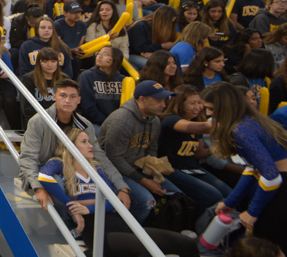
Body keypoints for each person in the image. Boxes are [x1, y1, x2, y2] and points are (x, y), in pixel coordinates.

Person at [39, 127, 203, 257]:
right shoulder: (60, 165)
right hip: (99, 232)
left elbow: (114, 201)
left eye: (90, 141)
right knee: (148, 246)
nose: (91, 145)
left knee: (188, 245)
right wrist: (73, 205)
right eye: (84, 141)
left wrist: (87, 207)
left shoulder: (96, 168)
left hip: (123, 225)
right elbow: (44, 176)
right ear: (70, 146)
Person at [18, 79, 131, 211]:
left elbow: (99, 156)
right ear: (54, 97)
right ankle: (69, 224)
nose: (67, 100)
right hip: (44, 173)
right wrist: (38, 187)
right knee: (57, 182)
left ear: (79, 100)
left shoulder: (85, 125)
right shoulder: (38, 122)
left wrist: (122, 187)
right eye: (63, 96)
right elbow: (28, 158)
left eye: (72, 97)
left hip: (74, 171)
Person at [202, 82, 287, 253]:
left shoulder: (240, 129)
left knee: (270, 249)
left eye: (211, 109)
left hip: (281, 185)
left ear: (225, 107)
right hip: (279, 182)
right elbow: (253, 168)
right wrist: (230, 202)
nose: (208, 114)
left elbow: (271, 176)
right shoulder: (249, 120)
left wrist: (252, 213)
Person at [99, 80, 182, 223]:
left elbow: (152, 149)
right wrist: (144, 181)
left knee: (177, 195)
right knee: (146, 202)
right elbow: (114, 158)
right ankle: (128, 234)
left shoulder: (154, 120)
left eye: (164, 100)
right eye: (158, 100)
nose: (163, 105)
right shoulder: (121, 120)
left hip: (138, 169)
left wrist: (153, 171)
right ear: (142, 100)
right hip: (114, 170)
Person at [158, 85, 232, 213]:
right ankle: (196, 227)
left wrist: (218, 148)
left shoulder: (196, 121)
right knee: (213, 196)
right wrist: (231, 124)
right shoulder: (171, 119)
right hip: (171, 168)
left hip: (193, 168)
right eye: (192, 103)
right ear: (179, 103)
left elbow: (198, 153)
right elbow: (201, 127)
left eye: (199, 103)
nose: (197, 107)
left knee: (229, 194)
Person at [77, 46, 125, 126]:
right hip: (93, 123)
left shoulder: (123, 80)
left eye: (105, 54)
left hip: (117, 123)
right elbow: (87, 106)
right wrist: (106, 123)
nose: (99, 56)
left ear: (115, 59)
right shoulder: (86, 76)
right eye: (98, 53)